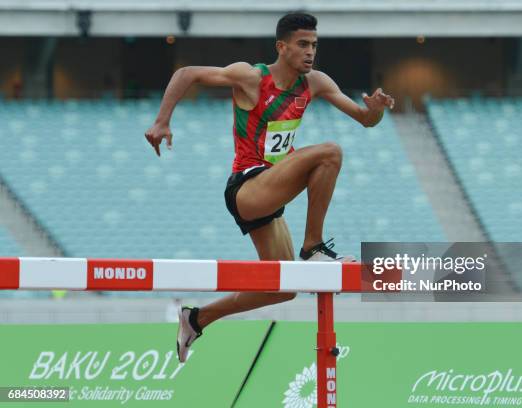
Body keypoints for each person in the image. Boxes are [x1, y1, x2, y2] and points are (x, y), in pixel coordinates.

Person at [145, 12, 395, 363]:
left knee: (282, 289)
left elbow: (365, 120)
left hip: (272, 192)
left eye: (314, 45)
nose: (310, 52)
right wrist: (161, 121)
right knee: (330, 153)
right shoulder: (251, 77)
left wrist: (377, 110)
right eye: (303, 45)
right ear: (282, 46)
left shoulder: (315, 83)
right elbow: (186, 74)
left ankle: (197, 318)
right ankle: (314, 247)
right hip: (247, 188)